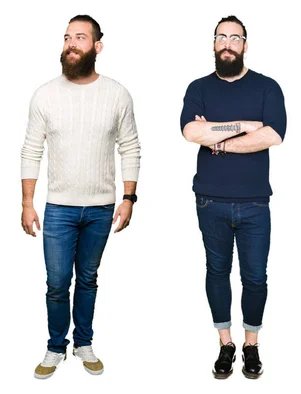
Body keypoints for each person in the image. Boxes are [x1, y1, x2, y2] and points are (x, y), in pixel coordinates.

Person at [21, 15, 141, 379]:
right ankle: (56, 346)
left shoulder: (117, 94)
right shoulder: (45, 94)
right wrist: (27, 203)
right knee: (57, 283)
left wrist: (129, 198)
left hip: (102, 208)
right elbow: (31, 150)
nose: (71, 44)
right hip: (58, 208)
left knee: (87, 279)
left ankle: (83, 342)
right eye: (67, 37)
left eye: (80, 38)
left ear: (97, 47)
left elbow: (130, 147)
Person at [180, 15, 286, 380]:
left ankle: (251, 344)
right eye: (221, 37)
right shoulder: (198, 87)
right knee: (217, 272)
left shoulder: (267, 87)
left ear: (245, 45)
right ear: (213, 44)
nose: (227, 43)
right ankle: (225, 343)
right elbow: (191, 131)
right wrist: (244, 125)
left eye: (235, 37)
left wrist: (218, 140)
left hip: (255, 201)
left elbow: (272, 136)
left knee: (256, 277)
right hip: (210, 199)